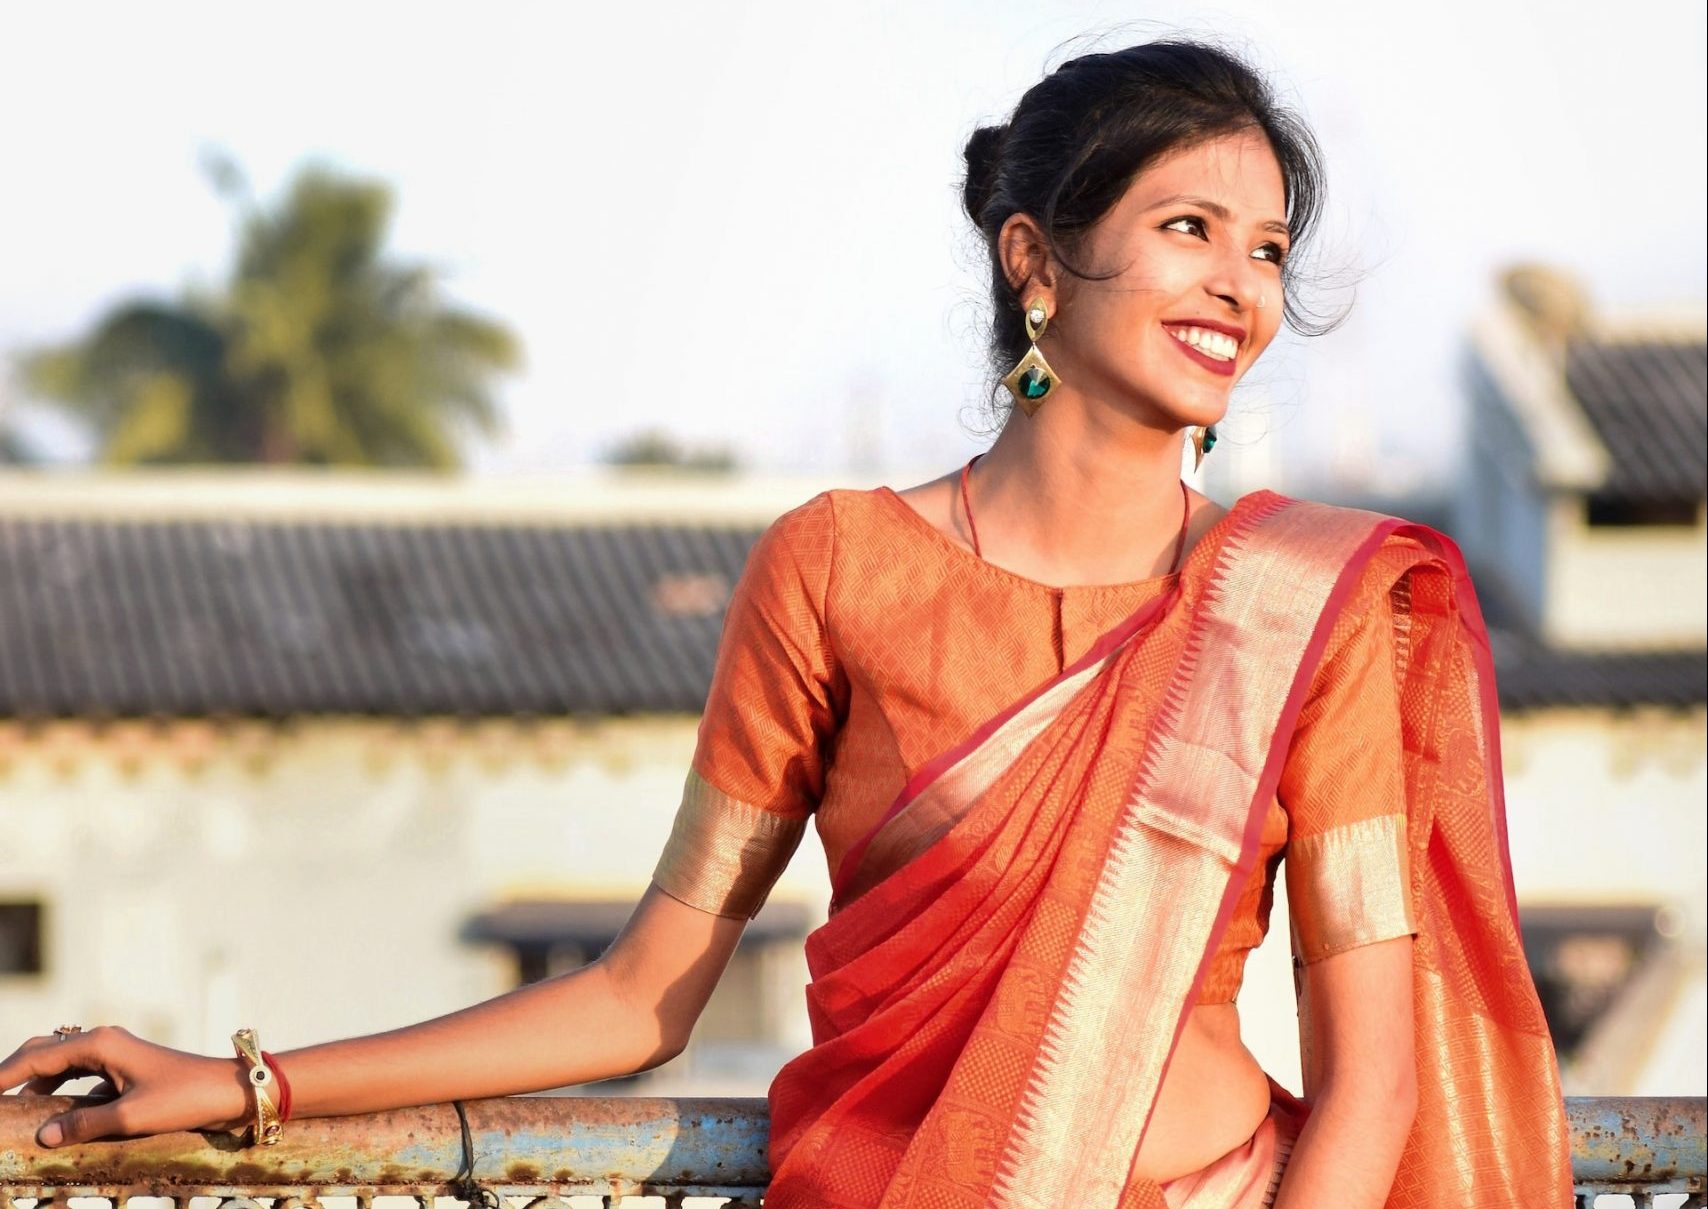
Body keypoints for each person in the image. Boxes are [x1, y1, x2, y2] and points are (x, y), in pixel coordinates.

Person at [1, 36, 1572, 1209]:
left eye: (1269, 245)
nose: (1241, 281)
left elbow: (1371, 1075)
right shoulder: (835, 570)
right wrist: (242, 1082)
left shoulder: (1311, 608)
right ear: (1035, 257)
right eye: (1188, 227)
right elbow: (641, 994)